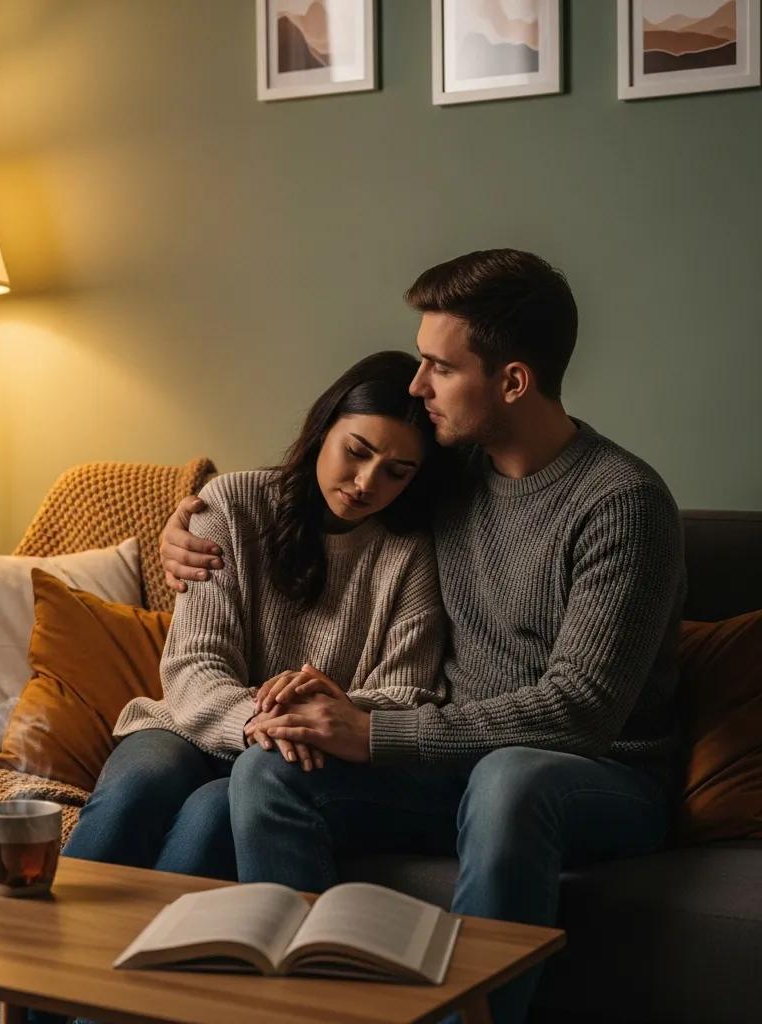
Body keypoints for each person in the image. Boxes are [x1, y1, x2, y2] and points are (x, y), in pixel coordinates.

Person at [160, 249, 686, 1024]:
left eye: (439, 367)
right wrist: (184, 524)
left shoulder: (623, 503)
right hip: (453, 768)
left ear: (511, 382)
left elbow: (581, 711)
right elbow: (305, 494)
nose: (416, 386)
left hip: (595, 779)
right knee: (264, 776)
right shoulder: (445, 474)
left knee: (513, 779)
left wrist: (375, 735)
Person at [59, 349, 451, 881]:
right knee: (139, 786)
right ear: (323, 427)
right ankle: (42, 950)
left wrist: (313, 715)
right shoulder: (232, 505)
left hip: (299, 753)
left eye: (396, 472)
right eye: (356, 452)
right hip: (189, 726)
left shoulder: (411, 551)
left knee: (212, 814)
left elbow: (406, 692)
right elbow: (193, 665)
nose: (366, 482)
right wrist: (259, 721)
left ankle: (154, 960)